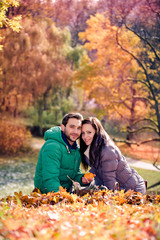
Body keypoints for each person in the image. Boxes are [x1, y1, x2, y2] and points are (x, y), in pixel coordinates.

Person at [80, 117, 146, 195]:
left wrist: (110, 199)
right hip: (117, 189)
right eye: (83, 133)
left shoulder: (107, 150)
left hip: (132, 190)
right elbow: (97, 170)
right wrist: (88, 177)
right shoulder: (91, 149)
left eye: (89, 132)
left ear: (97, 132)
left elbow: (109, 181)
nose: (85, 136)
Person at [34, 113, 91, 194]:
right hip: (47, 195)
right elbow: (50, 179)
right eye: (72, 127)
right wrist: (63, 197)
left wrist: (82, 179)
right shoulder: (52, 147)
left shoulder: (76, 149)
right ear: (63, 127)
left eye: (79, 128)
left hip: (65, 193)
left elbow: (73, 174)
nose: (75, 131)